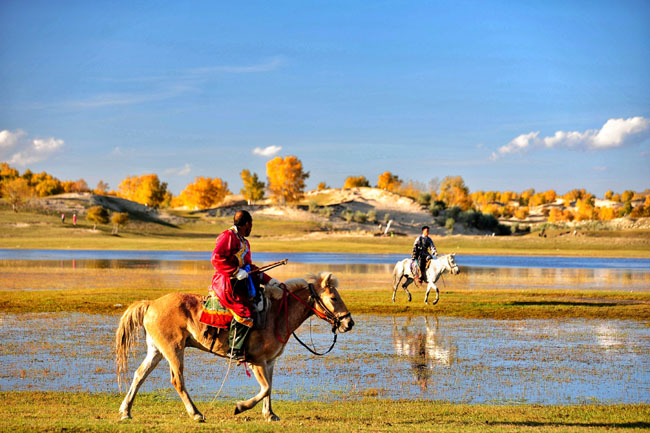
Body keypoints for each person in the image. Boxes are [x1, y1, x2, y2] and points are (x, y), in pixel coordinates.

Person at [209, 210, 283, 361]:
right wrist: (235, 271)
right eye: (251, 225)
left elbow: (249, 267)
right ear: (247, 224)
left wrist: (269, 280)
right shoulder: (227, 236)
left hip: (241, 283)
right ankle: (234, 349)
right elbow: (216, 259)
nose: (251, 229)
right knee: (245, 311)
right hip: (226, 283)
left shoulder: (244, 241)